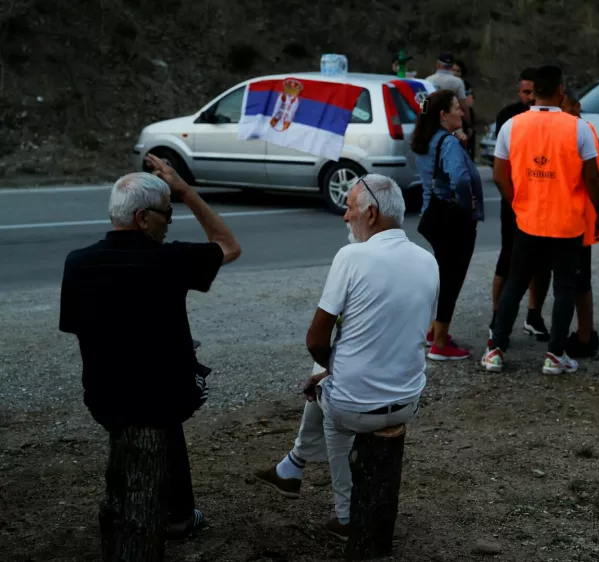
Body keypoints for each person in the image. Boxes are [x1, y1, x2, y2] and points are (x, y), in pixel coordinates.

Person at [59, 154, 241, 558]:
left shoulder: (78, 263)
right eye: (166, 213)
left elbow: (76, 329)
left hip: (105, 398)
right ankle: (178, 515)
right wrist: (186, 190)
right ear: (143, 218)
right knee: (163, 400)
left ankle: (153, 508)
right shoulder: (171, 260)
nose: (170, 220)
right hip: (169, 397)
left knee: (139, 397)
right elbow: (229, 245)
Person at [254, 175, 438, 541]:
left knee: (329, 398)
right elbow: (416, 332)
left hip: (356, 405)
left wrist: (328, 369)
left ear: (370, 213)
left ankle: (343, 513)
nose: (344, 217)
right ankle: (292, 466)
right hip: (407, 401)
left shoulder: (352, 256)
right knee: (328, 375)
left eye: (349, 208)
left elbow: (315, 338)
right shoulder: (427, 259)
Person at [483, 64, 599, 374]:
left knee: (516, 282)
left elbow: (500, 175)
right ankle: (555, 355)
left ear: (533, 91)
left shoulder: (512, 126)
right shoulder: (577, 127)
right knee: (564, 287)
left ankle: (495, 349)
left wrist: (518, 203)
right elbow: (592, 177)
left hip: (528, 221)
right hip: (566, 222)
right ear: (560, 91)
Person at [412, 90, 485, 360]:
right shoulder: (449, 143)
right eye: (456, 108)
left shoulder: (428, 140)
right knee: (452, 278)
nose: (462, 112)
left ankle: (434, 330)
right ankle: (440, 344)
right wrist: (468, 206)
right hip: (452, 220)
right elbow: (461, 179)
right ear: (443, 115)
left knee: (443, 275)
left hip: (431, 215)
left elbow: (439, 172)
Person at [490, 67, 554, 343]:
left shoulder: (552, 118)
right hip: (516, 202)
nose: (529, 97)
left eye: (533, 92)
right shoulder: (509, 117)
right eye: (525, 92)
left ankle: (534, 315)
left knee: (543, 262)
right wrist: (514, 200)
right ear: (520, 92)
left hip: (546, 201)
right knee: (509, 260)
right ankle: (497, 317)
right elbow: (499, 169)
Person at [561, 90, 599, 357]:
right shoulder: (574, 129)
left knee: (579, 281)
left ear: (577, 107)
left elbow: (593, 177)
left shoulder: (584, 130)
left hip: (579, 218)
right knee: (576, 280)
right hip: (572, 216)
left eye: (564, 107)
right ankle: (585, 333)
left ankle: (586, 336)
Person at [425, 52, 470, 129]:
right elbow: (463, 106)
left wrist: (422, 120)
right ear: (452, 66)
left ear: (438, 64)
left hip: (432, 123)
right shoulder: (458, 81)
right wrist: (468, 124)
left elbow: (424, 103)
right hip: (451, 123)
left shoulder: (428, 80)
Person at [452, 60, 477, 158]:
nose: (455, 73)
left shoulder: (464, 84)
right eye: (453, 70)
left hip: (465, 117)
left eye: (458, 71)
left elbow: (470, 102)